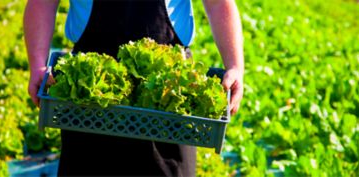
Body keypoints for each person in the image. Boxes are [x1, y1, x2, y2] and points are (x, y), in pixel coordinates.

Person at [24, 0, 244, 176]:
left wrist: (235, 66)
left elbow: (218, 3)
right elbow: (43, 2)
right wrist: (37, 65)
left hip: (167, 91)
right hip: (89, 92)